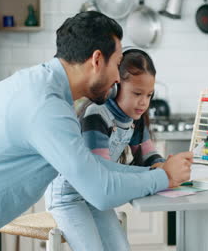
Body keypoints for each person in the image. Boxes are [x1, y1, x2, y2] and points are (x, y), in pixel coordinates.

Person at [0, 11, 192, 251]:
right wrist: (164, 177)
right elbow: (101, 192)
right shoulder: (47, 107)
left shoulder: (45, 90)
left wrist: (157, 171)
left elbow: (91, 167)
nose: (117, 78)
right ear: (97, 60)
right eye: (117, 64)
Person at [45, 48, 164, 250]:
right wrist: (157, 174)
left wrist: (163, 165)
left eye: (149, 95)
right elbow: (102, 169)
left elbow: (148, 155)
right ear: (115, 86)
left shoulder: (134, 118)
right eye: (137, 93)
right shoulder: (96, 115)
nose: (143, 102)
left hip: (95, 195)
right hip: (68, 197)